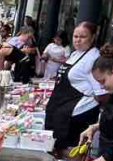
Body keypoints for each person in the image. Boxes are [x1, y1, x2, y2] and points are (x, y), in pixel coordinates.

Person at [44, 22, 105, 152]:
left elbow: (100, 93)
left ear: (93, 37)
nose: (78, 40)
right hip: (60, 110)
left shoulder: (94, 58)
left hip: (76, 115)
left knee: (68, 153)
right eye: (75, 36)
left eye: (83, 37)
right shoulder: (75, 54)